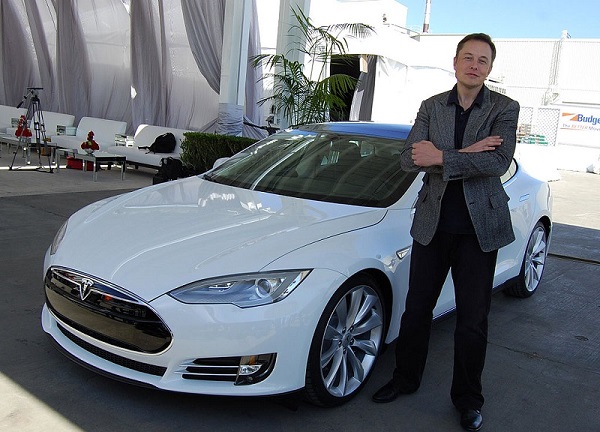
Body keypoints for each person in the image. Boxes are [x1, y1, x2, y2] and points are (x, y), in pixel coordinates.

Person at [372, 33, 519, 432]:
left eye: (483, 60)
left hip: (478, 230)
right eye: (468, 57)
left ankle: (468, 399)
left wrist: (439, 155)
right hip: (432, 224)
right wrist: (469, 152)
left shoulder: (505, 108)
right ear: (455, 62)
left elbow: (499, 162)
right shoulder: (431, 106)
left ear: (490, 68)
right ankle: (405, 378)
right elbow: (408, 159)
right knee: (417, 309)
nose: (474, 65)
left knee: (473, 320)